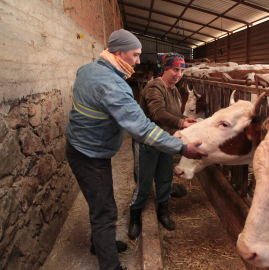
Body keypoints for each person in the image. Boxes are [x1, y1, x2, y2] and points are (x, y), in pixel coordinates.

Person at [65, 29, 207, 270]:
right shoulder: (114, 86)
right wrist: (181, 146)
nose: (139, 61)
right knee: (106, 211)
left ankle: (101, 244)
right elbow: (143, 128)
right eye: (135, 55)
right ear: (119, 53)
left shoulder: (87, 69)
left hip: (82, 145)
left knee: (98, 202)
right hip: (90, 154)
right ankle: (110, 265)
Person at [128, 53, 197, 240]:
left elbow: (171, 113)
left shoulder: (174, 89)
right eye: (175, 69)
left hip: (166, 140)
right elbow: (158, 114)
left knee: (165, 178)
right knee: (143, 182)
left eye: (182, 70)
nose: (179, 74)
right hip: (148, 142)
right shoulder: (154, 87)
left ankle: (163, 212)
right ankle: (134, 215)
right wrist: (182, 125)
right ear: (165, 68)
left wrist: (184, 119)